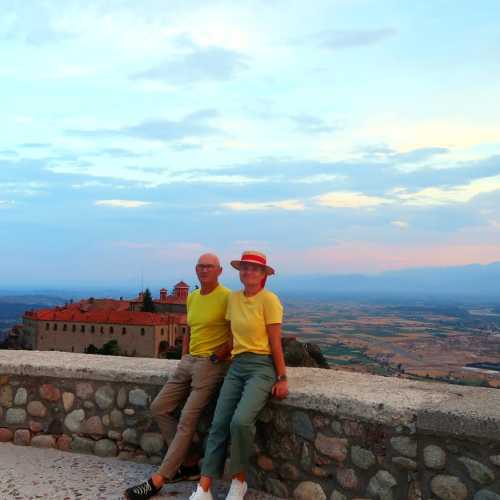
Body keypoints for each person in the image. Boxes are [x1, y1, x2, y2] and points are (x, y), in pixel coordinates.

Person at [125, 253, 232, 500]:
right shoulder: (193, 297)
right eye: (201, 266)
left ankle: (159, 479)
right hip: (189, 361)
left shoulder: (227, 298)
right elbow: (190, 330)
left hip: (210, 365)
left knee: (186, 421)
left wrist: (216, 358)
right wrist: (184, 356)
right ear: (196, 270)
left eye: (209, 267)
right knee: (159, 407)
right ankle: (191, 461)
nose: (204, 270)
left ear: (219, 271)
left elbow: (234, 335)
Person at [189, 250, 288, 500]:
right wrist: (215, 357)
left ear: (263, 274)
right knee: (218, 423)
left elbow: (276, 343)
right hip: (236, 366)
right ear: (239, 272)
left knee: (241, 422)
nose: (249, 272)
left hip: (261, 367)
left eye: (255, 268)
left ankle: (239, 481)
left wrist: (282, 376)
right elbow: (233, 338)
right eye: (245, 267)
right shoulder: (233, 299)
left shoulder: (270, 300)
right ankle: (204, 487)